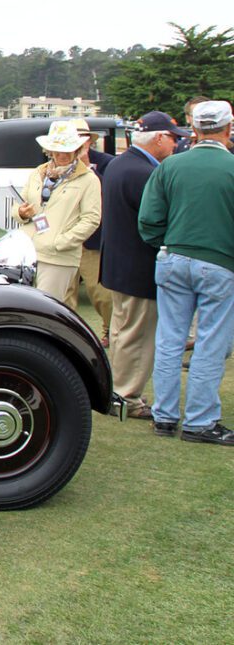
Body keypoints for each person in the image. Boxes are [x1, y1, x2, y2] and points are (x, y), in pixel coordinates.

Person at [138, 100, 234, 445]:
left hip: (172, 257)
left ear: (194, 130)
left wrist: (168, 242)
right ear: (227, 128)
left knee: (169, 340)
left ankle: (165, 416)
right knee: (210, 342)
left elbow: (148, 220)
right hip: (219, 262)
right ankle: (200, 421)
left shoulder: (171, 166)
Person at [99, 111, 188, 420]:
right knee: (136, 336)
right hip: (137, 267)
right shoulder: (142, 172)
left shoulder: (119, 165)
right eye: (174, 138)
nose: (176, 145)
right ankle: (127, 397)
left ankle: (119, 391)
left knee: (125, 333)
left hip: (118, 266)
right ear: (159, 138)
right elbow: (156, 220)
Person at [13, 120, 102, 307]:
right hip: (28, 251)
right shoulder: (38, 173)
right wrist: (21, 212)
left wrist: (61, 242)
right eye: (57, 149)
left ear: (76, 150)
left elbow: (91, 219)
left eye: (67, 149)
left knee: (44, 309)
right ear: (49, 151)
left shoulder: (88, 180)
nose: (61, 154)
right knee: (23, 306)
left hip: (58, 257)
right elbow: (19, 203)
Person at [65, 120, 114, 343]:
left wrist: (86, 168)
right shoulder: (55, 165)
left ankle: (111, 331)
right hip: (64, 238)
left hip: (93, 240)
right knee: (65, 293)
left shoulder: (106, 163)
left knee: (101, 293)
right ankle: (68, 335)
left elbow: (109, 196)